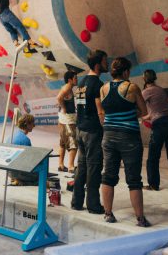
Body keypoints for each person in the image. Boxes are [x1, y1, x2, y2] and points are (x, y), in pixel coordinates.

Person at [100, 57, 151, 227]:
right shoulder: (132, 87)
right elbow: (144, 112)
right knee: (134, 179)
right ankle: (140, 219)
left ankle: (108, 214)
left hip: (108, 136)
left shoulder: (103, 88)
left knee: (108, 176)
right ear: (126, 71)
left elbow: (105, 112)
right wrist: (130, 114)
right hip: (129, 138)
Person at [71, 50, 108, 215]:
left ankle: (76, 202)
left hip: (80, 129)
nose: (107, 64)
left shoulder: (81, 83)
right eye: (105, 61)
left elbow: (79, 107)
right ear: (98, 64)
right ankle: (93, 205)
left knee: (82, 166)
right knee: (94, 167)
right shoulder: (98, 85)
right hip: (92, 131)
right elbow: (101, 111)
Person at [8, 114, 39, 185]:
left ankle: (18, 180)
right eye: (32, 123)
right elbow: (30, 161)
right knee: (42, 174)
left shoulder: (12, 135)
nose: (34, 126)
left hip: (9, 172)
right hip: (18, 173)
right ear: (27, 124)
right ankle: (21, 181)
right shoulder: (25, 140)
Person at [56, 71, 78, 173]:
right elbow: (59, 98)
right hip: (68, 119)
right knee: (73, 142)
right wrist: (64, 107)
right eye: (75, 78)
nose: (76, 80)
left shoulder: (66, 87)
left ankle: (61, 165)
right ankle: (71, 166)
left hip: (63, 119)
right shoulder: (67, 88)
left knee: (63, 142)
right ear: (70, 80)